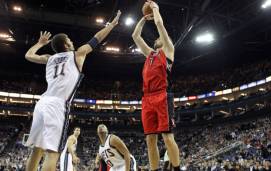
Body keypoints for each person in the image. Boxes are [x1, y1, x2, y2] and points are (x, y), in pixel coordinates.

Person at [24, 11, 121, 171]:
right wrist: (112, 25)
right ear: (66, 45)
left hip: (42, 103)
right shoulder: (77, 55)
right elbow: (96, 39)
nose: (72, 41)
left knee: (37, 150)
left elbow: (28, 55)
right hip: (57, 105)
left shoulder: (49, 58)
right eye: (69, 40)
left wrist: (40, 43)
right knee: (52, 153)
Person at [132, 1, 180, 170]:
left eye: (161, 37)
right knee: (150, 139)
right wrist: (144, 18)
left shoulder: (168, 49)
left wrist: (155, 8)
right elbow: (135, 36)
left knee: (167, 137)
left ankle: (176, 168)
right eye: (158, 38)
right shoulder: (150, 54)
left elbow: (159, 24)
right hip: (147, 98)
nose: (158, 38)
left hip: (162, 95)